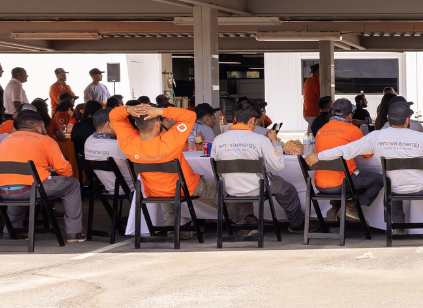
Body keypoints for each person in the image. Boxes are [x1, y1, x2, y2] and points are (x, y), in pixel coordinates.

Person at [308, 99, 423, 233]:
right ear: (407, 120)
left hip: (393, 187)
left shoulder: (375, 137)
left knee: (391, 182)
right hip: (422, 187)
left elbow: (345, 150)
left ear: (388, 118)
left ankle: (398, 228)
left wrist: (318, 155)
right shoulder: (421, 137)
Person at [109, 102, 226, 231]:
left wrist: (129, 109)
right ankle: (241, 221)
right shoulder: (170, 140)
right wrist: (160, 111)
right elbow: (190, 116)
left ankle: (173, 229)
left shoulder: (128, 143)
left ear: (136, 124)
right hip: (184, 187)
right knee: (219, 190)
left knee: (166, 193)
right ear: (158, 123)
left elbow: (113, 116)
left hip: (153, 190)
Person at [211, 99, 307, 232]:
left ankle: (249, 218)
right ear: (252, 120)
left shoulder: (218, 140)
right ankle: (296, 226)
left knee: (240, 181)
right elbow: (279, 165)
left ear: (235, 118)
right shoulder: (260, 140)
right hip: (258, 187)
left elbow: (213, 172)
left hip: (231, 188)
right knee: (287, 189)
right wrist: (274, 143)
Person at [0, 109, 85, 241]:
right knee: (73, 184)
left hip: (4, 191)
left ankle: (10, 231)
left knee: (16, 183)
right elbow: (66, 172)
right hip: (33, 190)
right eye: (44, 126)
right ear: (38, 127)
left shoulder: (5, 140)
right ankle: (74, 233)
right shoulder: (46, 140)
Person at [311, 98, 384, 221]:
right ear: (350, 115)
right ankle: (351, 206)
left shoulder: (320, 131)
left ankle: (335, 209)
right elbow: (367, 155)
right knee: (380, 179)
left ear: (332, 113)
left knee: (342, 177)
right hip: (342, 183)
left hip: (320, 184)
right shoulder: (353, 130)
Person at [83, 107, 135, 193]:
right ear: (109, 124)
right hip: (130, 188)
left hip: (108, 188)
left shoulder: (89, 141)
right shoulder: (118, 145)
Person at [301, 63, 321, 129]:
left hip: (307, 112)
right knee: (311, 135)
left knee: (311, 133)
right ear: (318, 71)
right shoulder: (316, 83)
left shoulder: (308, 80)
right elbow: (321, 99)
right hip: (314, 113)